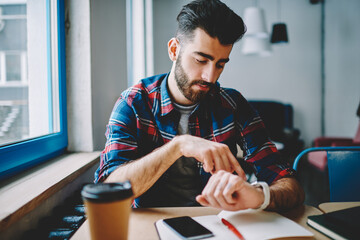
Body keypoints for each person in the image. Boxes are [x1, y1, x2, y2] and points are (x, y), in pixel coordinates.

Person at [95, 0, 304, 211]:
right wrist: (178, 146)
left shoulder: (233, 105)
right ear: (174, 49)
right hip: (153, 226)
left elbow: (290, 184)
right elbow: (108, 189)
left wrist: (259, 196)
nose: (210, 76)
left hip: (220, 226)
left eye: (220, 64)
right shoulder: (133, 104)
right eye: (201, 60)